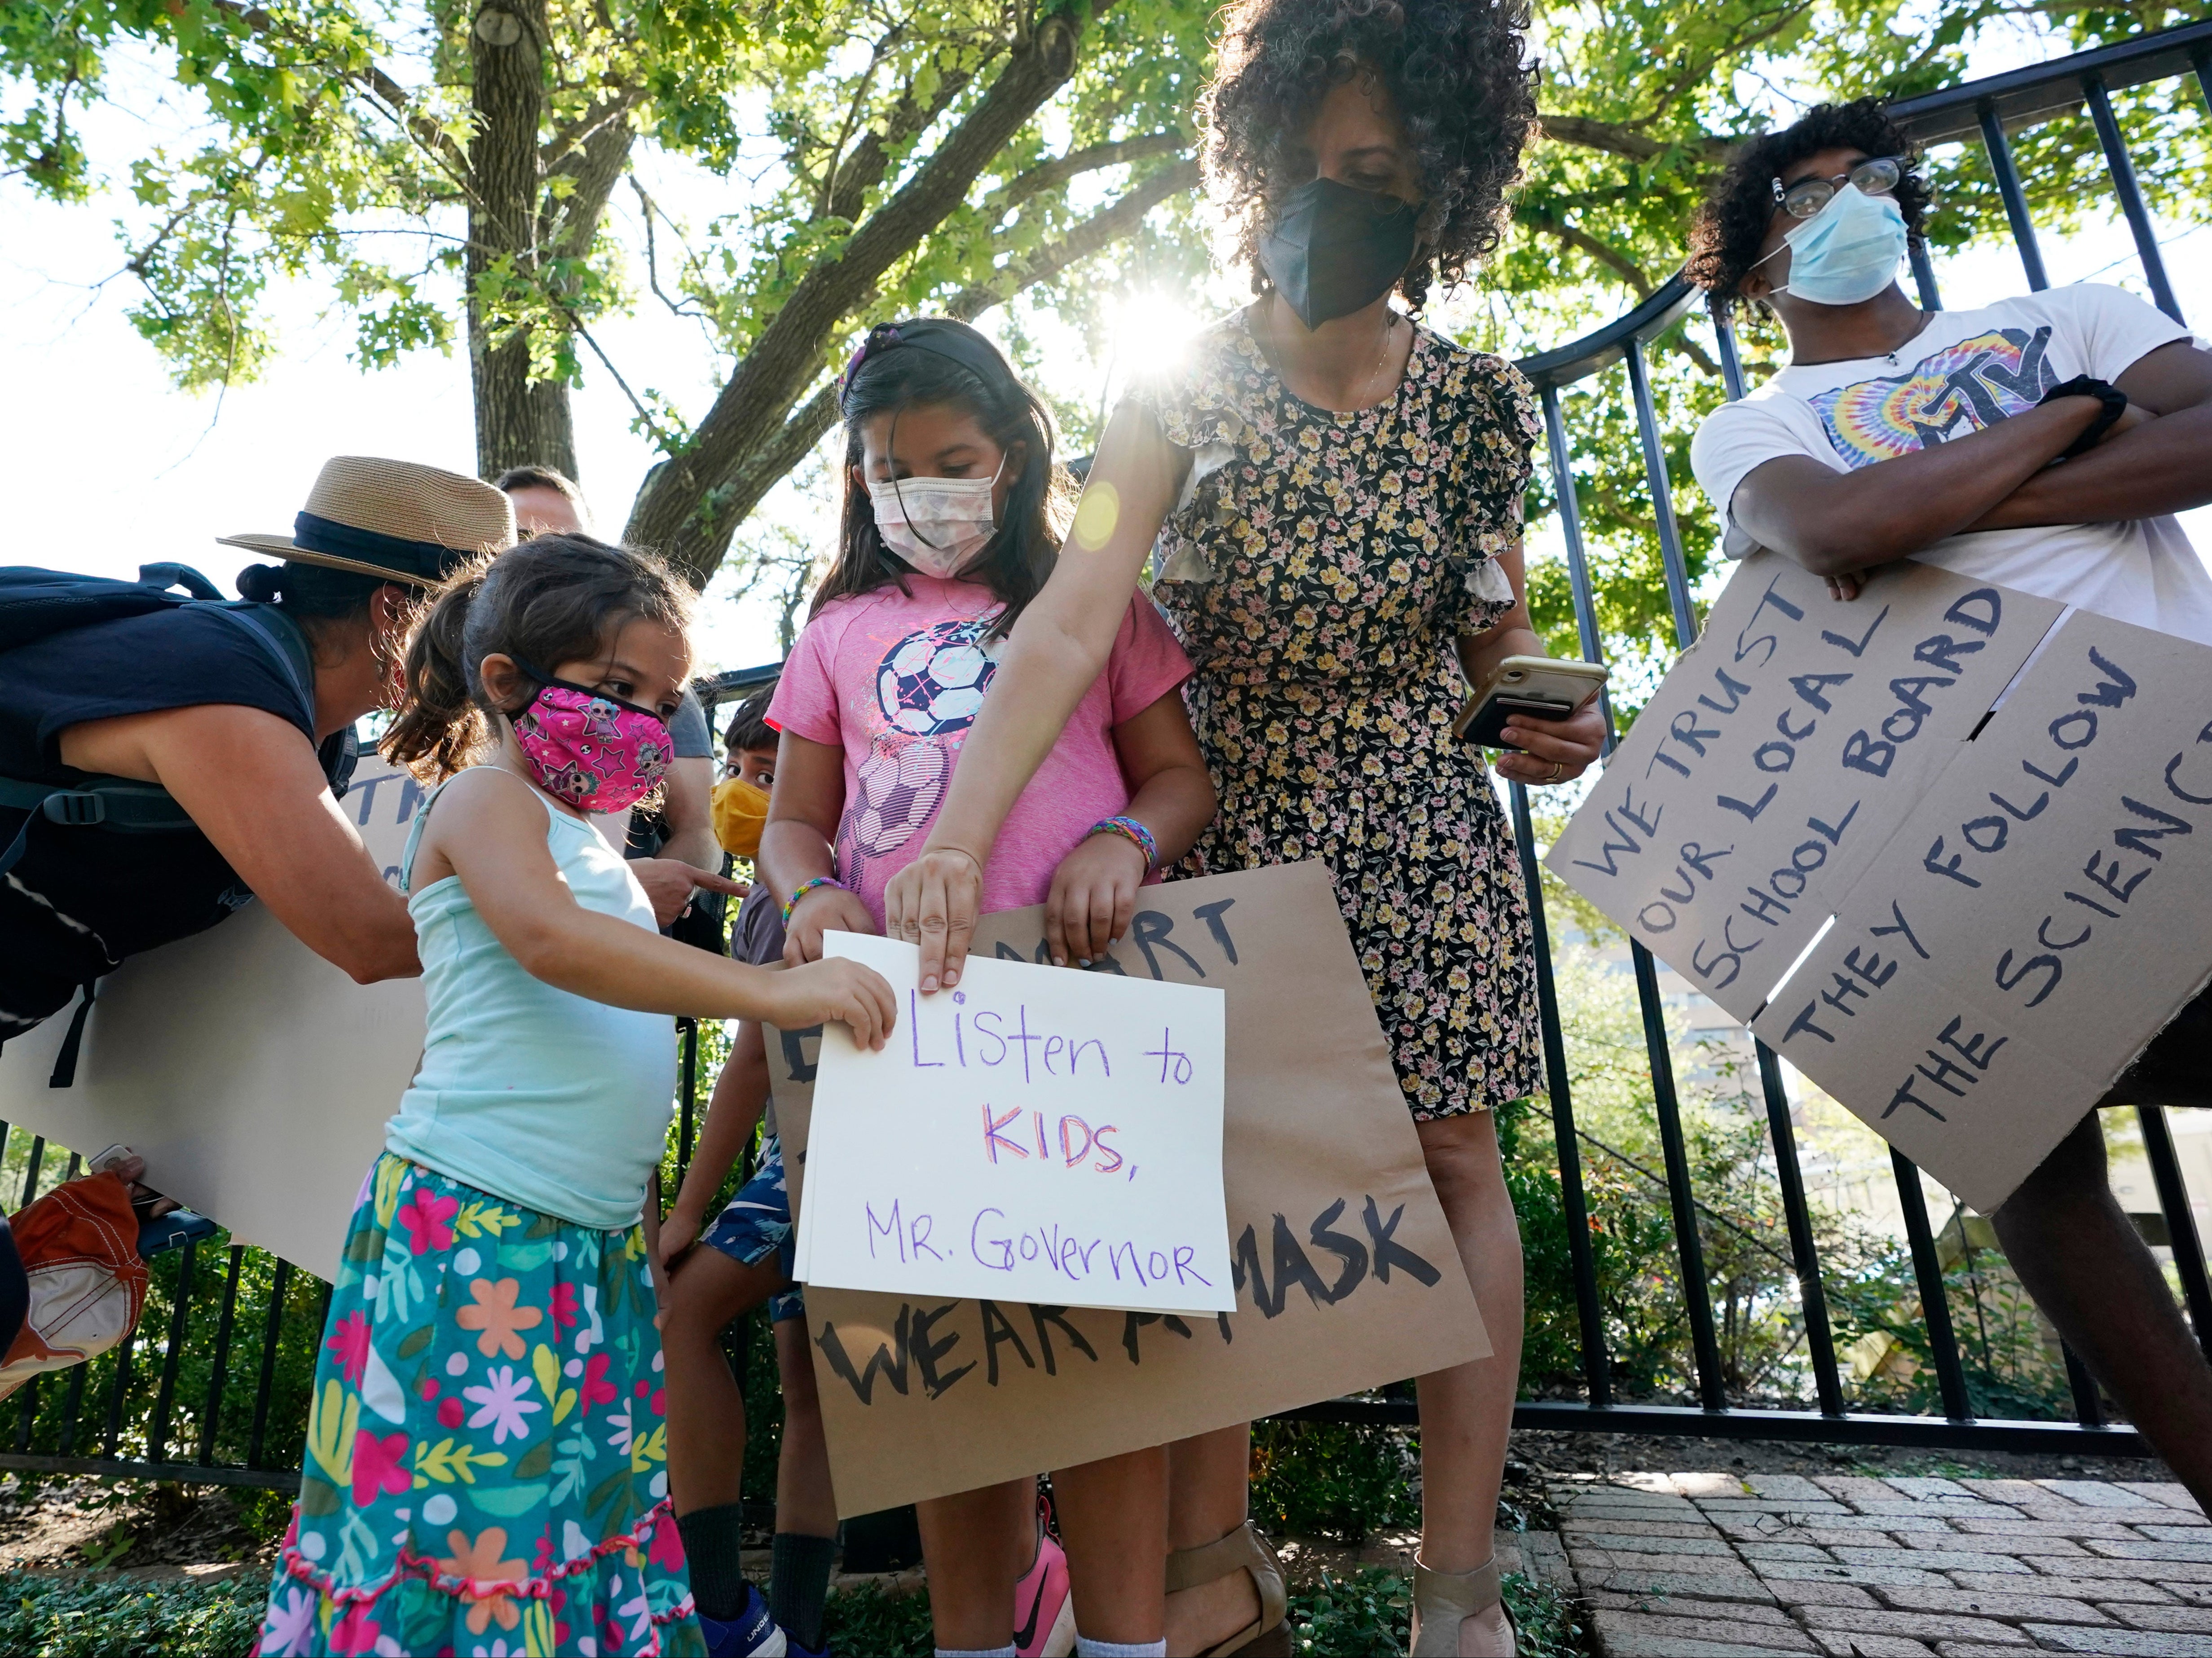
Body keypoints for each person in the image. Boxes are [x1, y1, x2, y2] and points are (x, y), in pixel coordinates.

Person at [880, 3, 1591, 1651]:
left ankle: (1454, 1587)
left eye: (1372, 167)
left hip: (1416, 822)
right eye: (1298, 160)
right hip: (1213, 824)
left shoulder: (1478, 405)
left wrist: (1555, 720)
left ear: (1442, 189)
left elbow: (1497, 634)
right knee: (1200, 1190)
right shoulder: (1169, 388)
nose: (1323, 193)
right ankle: (1208, 1561)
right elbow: (1068, 619)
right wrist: (951, 838)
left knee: (1449, 1159)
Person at [1682, 98, 2212, 1503]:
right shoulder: (1752, 427)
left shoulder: (2074, 313)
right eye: (1806, 196)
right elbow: (1844, 526)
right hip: (1966, 835)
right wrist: (2067, 434)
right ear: (1753, 265)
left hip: (2177, 765)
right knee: (2021, 1155)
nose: (1853, 204)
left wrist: (1962, 501)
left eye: (1874, 180)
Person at [253, 533, 896, 1658]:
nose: (647, 722)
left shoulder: (578, 838)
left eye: (662, 699)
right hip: (476, 1235)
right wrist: (772, 991)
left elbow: (579, 919)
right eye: (616, 690)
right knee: (473, 1527)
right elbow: (549, 942)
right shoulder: (482, 799)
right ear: (504, 683)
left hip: (579, 1242)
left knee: (563, 1520)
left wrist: (642, 885)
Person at [758, 316, 1216, 1658]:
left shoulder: (1098, 606)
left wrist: (1122, 842)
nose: (923, 493)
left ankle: (1124, 1640)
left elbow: (1178, 777)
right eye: (891, 469)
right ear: (857, 474)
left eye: (953, 461)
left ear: (1015, 456)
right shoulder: (836, 629)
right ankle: (977, 1638)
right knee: (951, 1363)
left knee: (1112, 1352)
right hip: (905, 1026)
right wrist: (812, 894)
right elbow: (792, 824)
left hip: (1087, 1013)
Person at [0, 457, 492, 1067]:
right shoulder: (229, 690)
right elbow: (368, 938)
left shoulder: (305, 724)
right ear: (394, 611)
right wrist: (606, 903)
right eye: (480, 629)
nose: (493, 668)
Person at [495, 465, 725, 924]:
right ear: (501, 684)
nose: (547, 561)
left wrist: (628, 902)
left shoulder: (658, 683)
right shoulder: (476, 793)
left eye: (569, 543)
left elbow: (701, 830)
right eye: (524, 539)